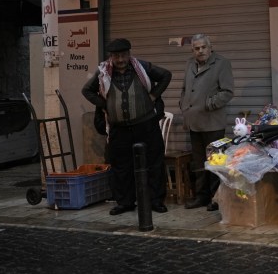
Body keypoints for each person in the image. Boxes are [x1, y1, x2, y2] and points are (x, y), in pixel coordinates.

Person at [82, 38, 172, 215]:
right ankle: (125, 202)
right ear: (111, 57)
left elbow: (166, 75)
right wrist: (103, 104)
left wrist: (153, 95)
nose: (120, 60)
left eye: (123, 55)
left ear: (129, 54)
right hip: (119, 130)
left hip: (146, 126)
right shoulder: (103, 73)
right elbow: (86, 90)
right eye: (116, 56)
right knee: (121, 167)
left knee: (154, 163)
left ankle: (155, 201)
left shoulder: (143, 67)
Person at [180, 34, 234, 210]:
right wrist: (184, 106)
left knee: (215, 162)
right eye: (196, 48)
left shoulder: (222, 63)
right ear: (192, 50)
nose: (200, 51)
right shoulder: (190, 63)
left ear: (210, 47)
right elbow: (185, 89)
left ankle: (215, 198)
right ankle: (201, 196)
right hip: (194, 122)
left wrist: (208, 104)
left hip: (212, 122)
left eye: (203, 47)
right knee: (199, 162)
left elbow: (227, 91)